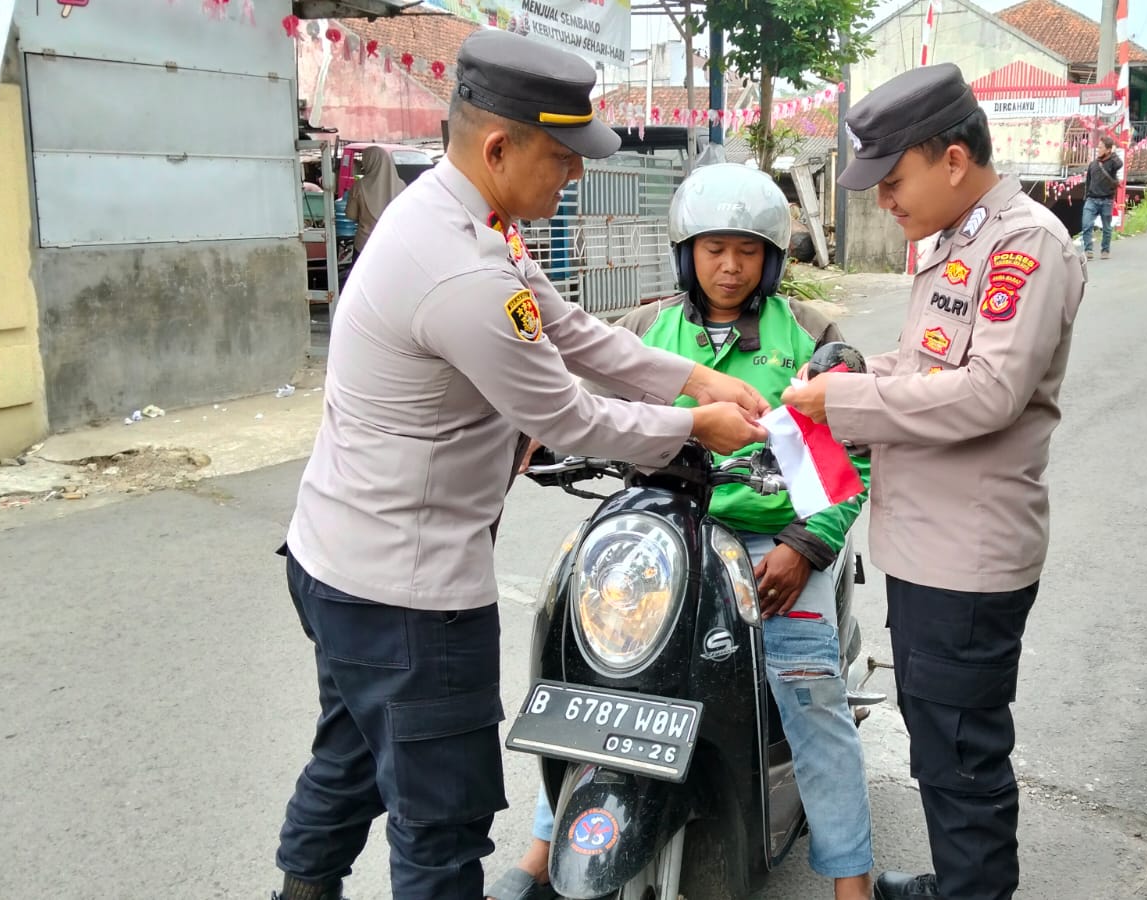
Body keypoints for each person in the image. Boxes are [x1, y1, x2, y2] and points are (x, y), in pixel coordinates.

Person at [271, 30, 770, 900]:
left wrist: (694, 373)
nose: (574, 175)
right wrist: (697, 422)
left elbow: (568, 330)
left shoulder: (458, 217)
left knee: (349, 759)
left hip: (337, 562)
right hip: (409, 597)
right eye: (562, 157)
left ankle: (299, 890)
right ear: (500, 147)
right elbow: (568, 413)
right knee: (441, 825)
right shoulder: (462, 270)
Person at [485, 164, 876, 900]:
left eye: (748, 250)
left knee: (810, 691)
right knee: (591, 681)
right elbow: (576, 405)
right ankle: (542, 853)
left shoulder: (809, 336)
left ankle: (850, 884)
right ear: (684, 252)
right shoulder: (644, 330)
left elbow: (845, 461)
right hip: (655, 536)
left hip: (771, 547)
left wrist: (806, 545)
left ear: (772, 259)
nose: (729, 266)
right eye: (713, 248)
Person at [780, 63, 1086, 900]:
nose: (883, 199)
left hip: (968, 555)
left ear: (953, 159)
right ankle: (959, 882)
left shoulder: (1026, 245)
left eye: (893, 179)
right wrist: (853, 365)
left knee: (960, 751)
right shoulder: (958, 241)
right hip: (923, 547)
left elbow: (988, 393)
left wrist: (842, 401)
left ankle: (975, 888)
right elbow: (925, 366)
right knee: (936, 735)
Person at [346, 144, 406, 255]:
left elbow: (351, 215)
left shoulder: (359, 186)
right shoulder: (401, 185)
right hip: (393, 244)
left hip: (365, 244)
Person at [1081, 135, 1123, 260]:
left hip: (1106, 200)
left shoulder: (1112, 163)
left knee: (1107, 227)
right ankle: (1088, 250)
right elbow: (1088, 182)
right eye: (1098, 147)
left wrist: (1114, 153)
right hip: (1092, 199)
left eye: (1101, 147)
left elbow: (1119, 164)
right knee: (1086, 224)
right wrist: (1086, 196)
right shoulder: (1093, 164)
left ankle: (1105, 250)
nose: (1098, 149)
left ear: (1108, 149)